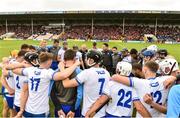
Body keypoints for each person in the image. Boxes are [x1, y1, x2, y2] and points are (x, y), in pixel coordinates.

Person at [7, 52, 80, 117]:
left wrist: (22, 64)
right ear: (49, 62)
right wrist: (75, 64)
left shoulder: (30, 70)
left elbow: (12, 69)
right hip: (40, 111)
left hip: (28, 109)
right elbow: (64, 75)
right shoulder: (48, 73)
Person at [86, 62, 151, 117]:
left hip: (111, 115)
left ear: (118, 70)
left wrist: (88, 113)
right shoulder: (133, 86)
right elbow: (139, 107)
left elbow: (100, 101)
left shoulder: (111, 84)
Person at [111, 61, 177, 117]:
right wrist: (174, 78)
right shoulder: (164, 80)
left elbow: (115, 77)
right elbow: (175, 76)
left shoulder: (140, 82)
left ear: (145, 70)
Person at [62, 50, 110, 117]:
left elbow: (66, 84)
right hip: (101, 111)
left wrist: (62, 69)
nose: (85, 60)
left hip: (88, 112)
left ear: (92, 60)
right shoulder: (106, 72)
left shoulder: (87, 72)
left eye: (87, 58)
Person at [50, 49, 83, 117]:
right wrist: (73, 109)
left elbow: (52, 92)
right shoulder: (80, 72)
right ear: (74, 59)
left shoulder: (55, 72)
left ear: (64, 59)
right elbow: (79, 94)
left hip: (60, 105)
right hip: (73, 106)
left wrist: (58, 108)